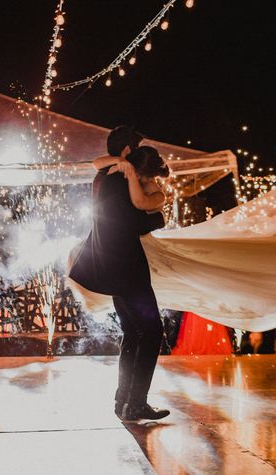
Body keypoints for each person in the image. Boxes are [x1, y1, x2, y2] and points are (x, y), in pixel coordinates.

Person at [69, 126, 171, 421]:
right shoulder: (119, 178)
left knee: (133, 331)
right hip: (126, 268)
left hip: (112, 268)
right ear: (127, 151)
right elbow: (130, 221)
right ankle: (135, 403)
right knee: (152, 331)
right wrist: (159, 218)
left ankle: (123, 401)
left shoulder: (105, 175)